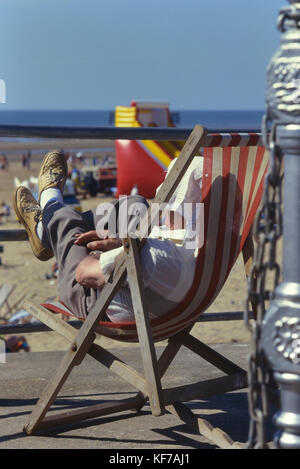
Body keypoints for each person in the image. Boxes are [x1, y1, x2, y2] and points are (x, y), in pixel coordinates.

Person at [13, 150, 203, 323]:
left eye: (166, 184)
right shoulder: (200, 244)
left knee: (65, 219)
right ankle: (47, 233)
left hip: (93, 299)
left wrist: (119, 249)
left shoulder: (152, 255)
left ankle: (47, 210)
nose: (161, 190)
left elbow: (83, 274)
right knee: (135, 205)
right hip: (168, 299)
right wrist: (121, 242)